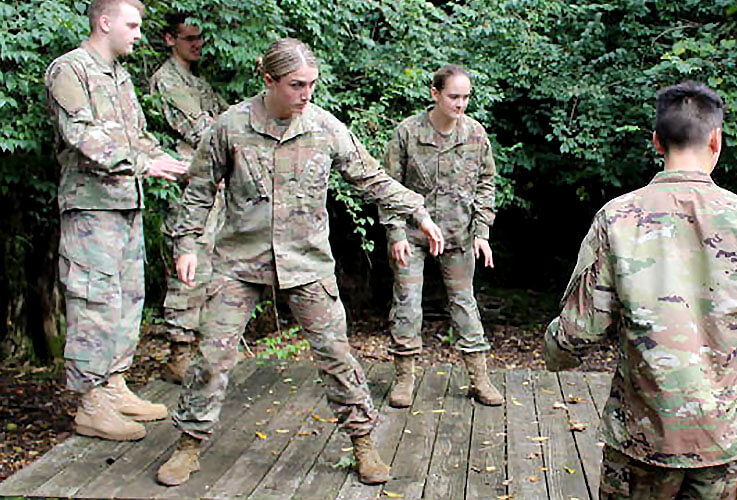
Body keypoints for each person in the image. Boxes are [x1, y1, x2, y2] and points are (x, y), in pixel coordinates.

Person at [155, 38, 445, 487]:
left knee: (336, 353)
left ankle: (363, 442)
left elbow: (370, 176)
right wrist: (187, 244)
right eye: (295, 84)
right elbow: (197, 191)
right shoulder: (229, 127)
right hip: (240, 260)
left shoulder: (324, 127)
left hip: (306, 262)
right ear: (268, 80)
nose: (306, 93)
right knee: (212, 354)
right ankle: (189, 443)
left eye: (311, 84)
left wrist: (418, 212)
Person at [543, 81, 737, 500]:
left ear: (657, 141)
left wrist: (553, 352)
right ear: (716, 140)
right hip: (724, 439)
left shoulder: (616, 219)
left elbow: (574, 335)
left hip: (642, 440)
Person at [44, 0, 190, 442]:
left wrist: (170, 162)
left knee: (127, 299)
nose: (138, 34)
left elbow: (139, 138)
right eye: (131, 25)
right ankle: (90, 404)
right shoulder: (70, 70)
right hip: (91, 208)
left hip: (125, 204)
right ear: (104, 22)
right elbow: (83, 135)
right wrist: (145, 164)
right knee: (93, 300)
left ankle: (114, 385)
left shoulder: (119, 76)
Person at [382, 65, 500, 408]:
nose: (460, 104)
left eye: (465, 97)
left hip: (458, 233)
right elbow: (389, 186)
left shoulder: (475, 134)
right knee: (407, 302)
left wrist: (482, 232)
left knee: (464, 304)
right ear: (435, 93)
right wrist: (394, 233)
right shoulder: (407, 133)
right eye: (453, 96)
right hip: (413, 232)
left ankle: (479, 377)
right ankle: (404, 377)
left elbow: (486, 183)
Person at [149, 12, 230, 384]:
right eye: (188, 38)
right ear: (170, 40)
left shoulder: (197, 82)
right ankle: (178, 351)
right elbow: (204, 131)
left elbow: (225, 120)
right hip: (187, 189)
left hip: (209, 185)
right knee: (188, 266)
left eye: (200, 38)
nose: (196, 44)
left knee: (210, 267)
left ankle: (199, 349)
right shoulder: (168, 81)